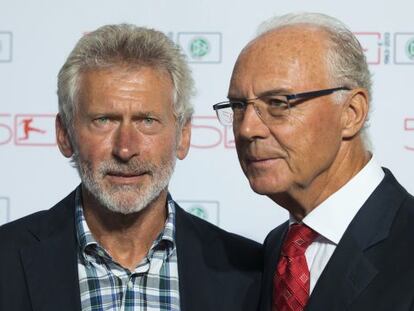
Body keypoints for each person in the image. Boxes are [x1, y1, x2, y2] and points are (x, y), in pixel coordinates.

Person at [0, 24, 262, 311]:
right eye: (104, 120)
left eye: (146, 120)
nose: (125, 148)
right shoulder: (6, 258)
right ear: (64, 134)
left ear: (183, 135)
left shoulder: (250, 273)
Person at [213, 12, 414, 311]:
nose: (247, 129)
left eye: (278, 103)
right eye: (240, 106)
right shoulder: (276, 248)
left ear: (351, 113)